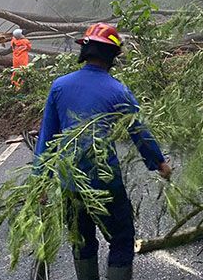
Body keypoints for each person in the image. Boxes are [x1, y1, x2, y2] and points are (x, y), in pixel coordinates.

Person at [34, 22, 172, 280]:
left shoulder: (60, 86)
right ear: (111, 56)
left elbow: (47, 138)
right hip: (104, 180)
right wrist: (160, 163)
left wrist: (41, 179)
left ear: (85, 52)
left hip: (70, 180)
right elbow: (139, 132)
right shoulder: (118, 90)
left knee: (82, 239)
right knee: (121, 238)